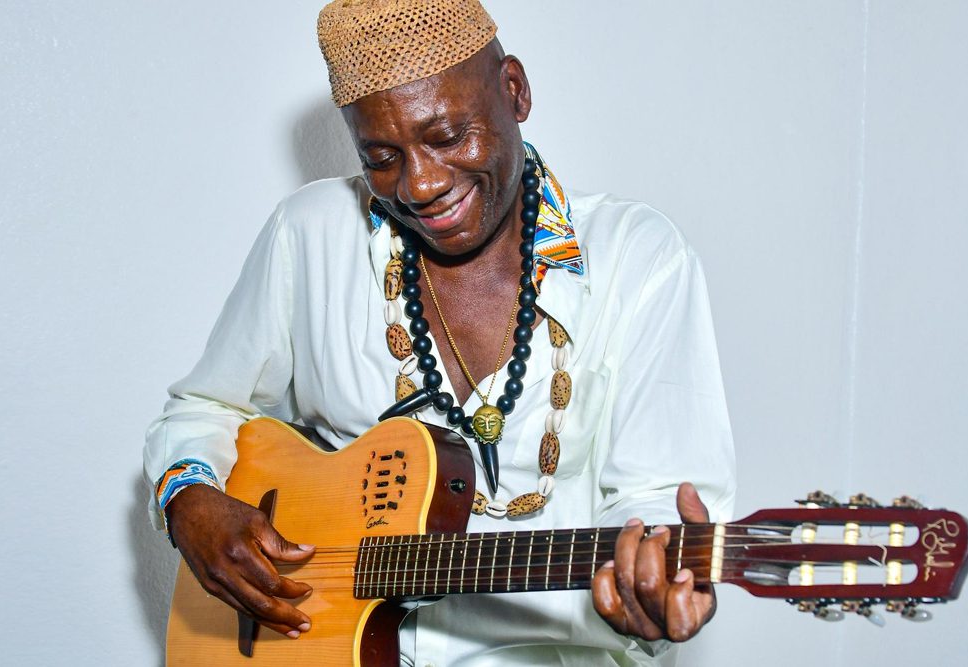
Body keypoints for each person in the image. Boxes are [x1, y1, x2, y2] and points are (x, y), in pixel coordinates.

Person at [144, 1, 736, 663]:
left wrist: (651, 591)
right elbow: (205, 405)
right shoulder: (309, 235)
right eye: (383, 156)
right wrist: (187, 494)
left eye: (448, 135)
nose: (421, 183)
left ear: (514, 90)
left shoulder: (639, 259)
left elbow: (653, 509)